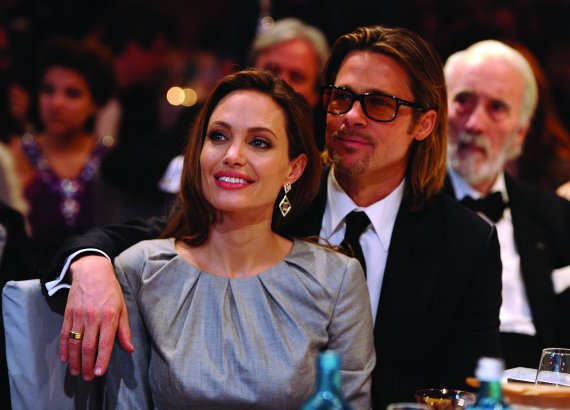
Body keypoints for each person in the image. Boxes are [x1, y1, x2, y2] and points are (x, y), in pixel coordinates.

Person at [43, 26, 502, 408]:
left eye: (379, 103)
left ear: (423, 123)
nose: (352, 116)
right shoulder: (265, 201)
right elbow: (148, 242)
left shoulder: (465, 243)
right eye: (341, 97)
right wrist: (90, 263)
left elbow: (465, 389)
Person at [107, 69, 374, 408]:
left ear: (294, 168)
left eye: (259, 142)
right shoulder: (141, 270)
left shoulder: (336, 280)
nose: (232, 155)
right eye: (218, 136)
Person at [444, 39, 570, 369]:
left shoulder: (555, 215)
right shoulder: (409, 208)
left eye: (497, 108)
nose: (474, 124)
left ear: (520, 133)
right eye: (463, 101)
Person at [8, 36, 115, 267]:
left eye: (72, 93)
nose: (56, 103)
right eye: (48, 90)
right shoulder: (15, 156)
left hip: (98, 283)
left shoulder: (110, 159)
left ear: (96, 103)